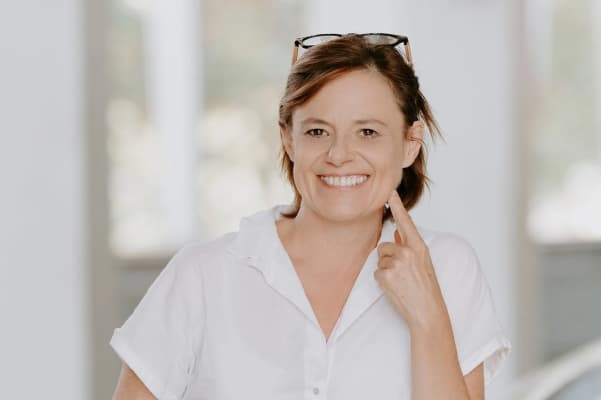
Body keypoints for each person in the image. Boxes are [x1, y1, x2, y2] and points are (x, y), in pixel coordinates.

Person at [110, 33, 511, 399]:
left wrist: (428, 319)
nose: (338, 154)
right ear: (288, 138)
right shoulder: (203, 276)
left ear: (410, 143)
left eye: (367, 132)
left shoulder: (447, 268)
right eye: (318, 131)